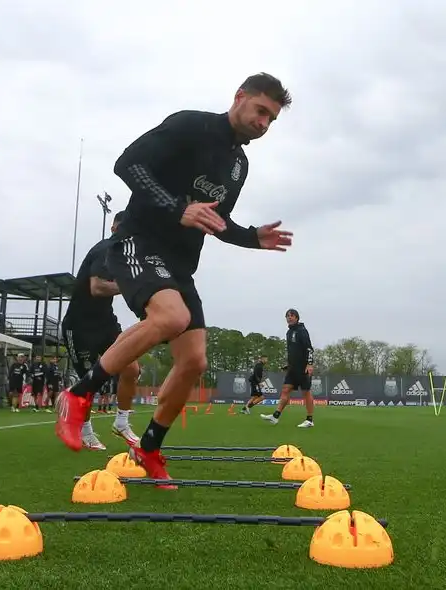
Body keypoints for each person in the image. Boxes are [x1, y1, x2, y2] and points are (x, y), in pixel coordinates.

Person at [54, 73, 295, 488]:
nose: (263, 123)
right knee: (171, 318)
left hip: (180, 267)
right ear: (239, 97)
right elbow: (127, 164)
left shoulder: (238, 166)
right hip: (138, 242)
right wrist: (176, 208)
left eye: (271, 119)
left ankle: (149, 446)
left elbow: (217, 221)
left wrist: (252, 237)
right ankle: (77, 394)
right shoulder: (190, 125)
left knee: (194, 361)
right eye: (260, 111)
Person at [60, 210, 141, 449]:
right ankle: (85, 431)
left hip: (106, 322)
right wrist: (130, 286)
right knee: (89, 382)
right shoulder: (105, 249)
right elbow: (97, 287)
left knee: (131, 368)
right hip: (79, 326)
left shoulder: (126, 255)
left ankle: (121, 423)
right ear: (114, 228)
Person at [261, 309, 315, 427]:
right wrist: (289, 364)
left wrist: (310, 364)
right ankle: (275, 416)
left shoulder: (302, 331)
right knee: (285, 390)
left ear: (297, 318)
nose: (289, 318)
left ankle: (310, 420)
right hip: (292, 368)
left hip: (303, 368)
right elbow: (293, 351)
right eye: (287, 316)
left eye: (292, 316)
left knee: (306, 392)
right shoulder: (289, 332)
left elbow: (309, 349)